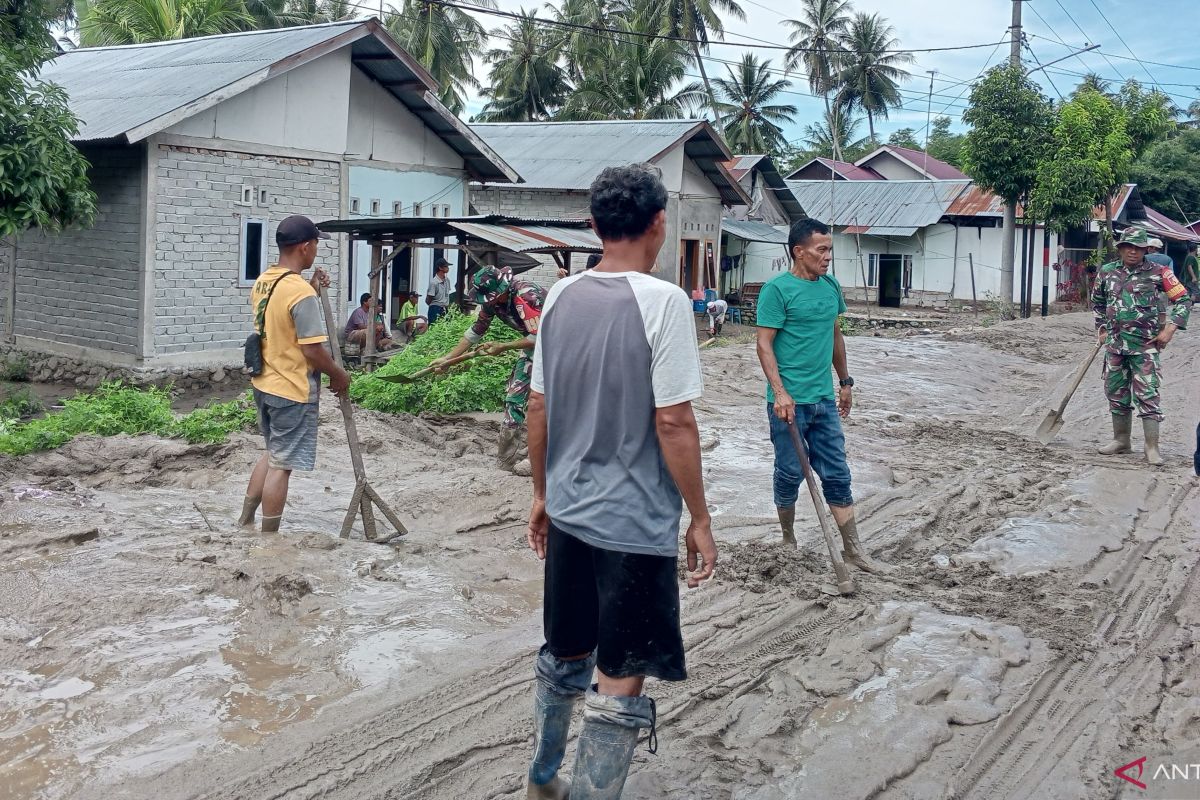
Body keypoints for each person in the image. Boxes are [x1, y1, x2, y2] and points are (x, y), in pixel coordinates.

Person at [524, 163, 716, 799]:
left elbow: (539, 407)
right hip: (633, 526)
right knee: (621, 675)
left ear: (594, 225)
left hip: (571, 512)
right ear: (659, 224)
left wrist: (542, 496)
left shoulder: (560, 296)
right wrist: (701, 517)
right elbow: (674, 423)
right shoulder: (665, 303)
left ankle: (543, 780)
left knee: (565, 653)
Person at [755, 218, 893, 574]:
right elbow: (764, 344)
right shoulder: (777, 290)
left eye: (830, 250)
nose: (828, 257)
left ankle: (854, 550)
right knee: (788, 473)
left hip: (823, 401)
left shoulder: (831, 286)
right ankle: (788, 538)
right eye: (822, 250)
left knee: (837, 474)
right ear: (799, 252)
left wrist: (845, 382)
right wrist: (780, 393)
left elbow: (835, 336)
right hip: (788, 404)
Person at [239, 215, 350, 532]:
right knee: (282, 465)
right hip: (290, 388)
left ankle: (245, 521)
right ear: (305, 247)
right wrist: (338, 374)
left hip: (264, 383)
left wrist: (311, 287)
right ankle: (269, 538)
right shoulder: (299, 293)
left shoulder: (266, 281)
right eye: (315, 244)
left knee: (273, 453)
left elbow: (281, 317)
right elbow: (312, 351)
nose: (316, 250)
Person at [430, 266, 546, 472]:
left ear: (501, 290)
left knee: (543, 402)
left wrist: (504, 346)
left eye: (489, 297)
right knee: (514, 398)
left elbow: (540, 336)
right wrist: (447, 359)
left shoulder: (526, 295)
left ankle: (538, 457)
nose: (487, 302)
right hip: (532, 352)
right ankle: (508, 458)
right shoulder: (493, 304)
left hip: (558, 349)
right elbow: (475, 332)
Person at [1092, 227, 1192, 466]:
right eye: (1128, 247)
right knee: (1116, 393)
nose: (1132, 252)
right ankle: (1121, 440)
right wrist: (1102, 328)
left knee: (1147, 394)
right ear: (1121, 249)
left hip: (1144, 347)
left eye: (1138, 248)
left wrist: (1169, 329)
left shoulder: (1160, 272)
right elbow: (1097, 302)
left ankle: (1151, 447)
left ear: (1146, 249)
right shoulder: (1107, 272)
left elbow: (1183, 299)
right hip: (1115, 346)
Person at [425, 258, 452, 325]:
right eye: (446, 266)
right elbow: (428, 299)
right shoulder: (434, 282)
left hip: (445, 308)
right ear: (440, 268)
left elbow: (446, 294)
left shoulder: (447, 280)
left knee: (445, 329)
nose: (448, 268)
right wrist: (435, 305)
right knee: (434, 328)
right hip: (435, 308)